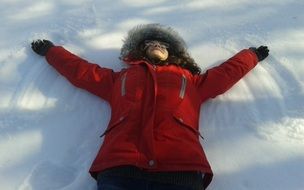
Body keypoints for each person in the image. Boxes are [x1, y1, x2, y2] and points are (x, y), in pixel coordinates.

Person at [31, 23, 269, 190]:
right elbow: (81, 71)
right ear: (140, 51)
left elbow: (225, 74)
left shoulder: (191, 81)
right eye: (150, 43)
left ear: (172, 53)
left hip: (181, 170)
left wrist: (251, 56)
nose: (157, 45)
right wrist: (52, 52)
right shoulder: (119, 79)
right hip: (120, 167)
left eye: (162, 44)